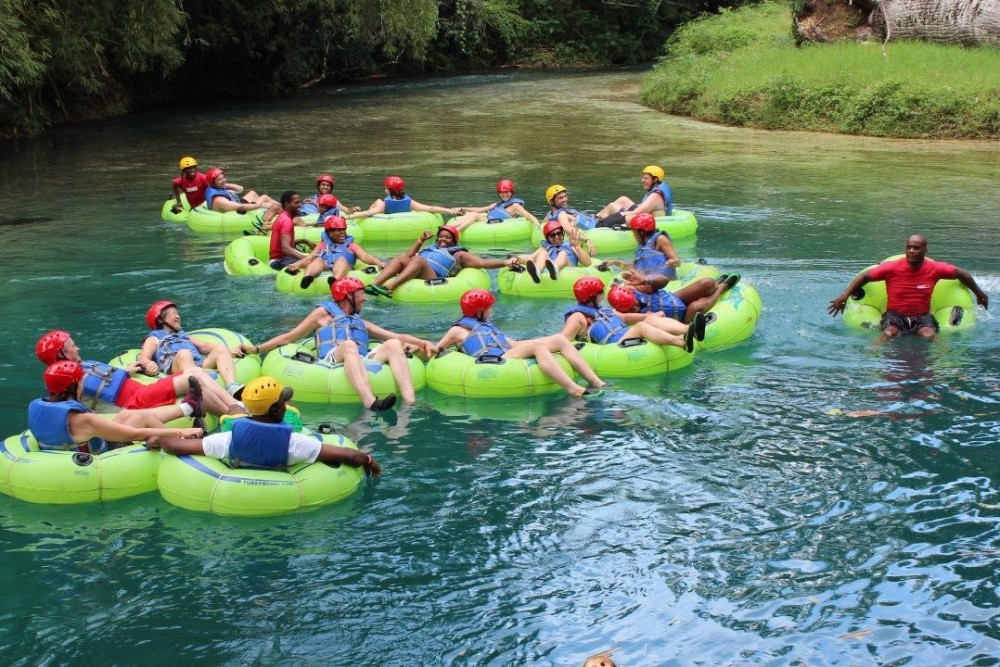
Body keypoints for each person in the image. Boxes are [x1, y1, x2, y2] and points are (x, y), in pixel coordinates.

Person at [241, 278, 435, 410]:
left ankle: (410, 403)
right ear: (348, 296)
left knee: (393, 344)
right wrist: (256, 349)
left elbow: (395, 336)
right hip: (331, 359)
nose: (364, 298)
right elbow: (289, 337)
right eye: (360, 295)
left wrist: (422, 342)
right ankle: (370, 401)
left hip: (361, 358)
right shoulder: (322, 315)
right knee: (349, 345)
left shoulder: (360, 321)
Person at [147, 376, 381, 475]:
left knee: (234, 413)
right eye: (282, 402)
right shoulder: (296, 443)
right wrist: (370, 462)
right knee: (236, 412)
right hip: (283, 465)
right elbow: (350, 456)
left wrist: (158, 440)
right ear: (277, 409)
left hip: (238, 444)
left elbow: (177, 446)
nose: (285, 403)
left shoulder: (226, 441)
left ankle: (236, 406)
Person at [433, 289, 606, 398]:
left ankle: (597, 382)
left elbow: (513, 344)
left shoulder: (486, 326)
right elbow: (437, 350)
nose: (491, 311)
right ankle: (573, 389)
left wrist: (541, 340)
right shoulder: (457, 331)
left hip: (506, 354)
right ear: (479, 310)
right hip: (494, 362)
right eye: (489, 308)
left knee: (559, 339)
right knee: (538, 347)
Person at [35, 330, 243, 417]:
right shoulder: (64, 380)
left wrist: (125, 370)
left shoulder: (80, 366)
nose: (78, 348)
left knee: (197, 380)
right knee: (193, 376)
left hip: (142, 391)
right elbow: (71, 404)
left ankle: (234, 414)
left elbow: (103, 380)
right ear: (61, 353)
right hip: (136, 402)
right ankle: (235, 409)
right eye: (73, 346)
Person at [828, 234, 989, 339]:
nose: (911, 251)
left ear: (925, 250)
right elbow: (864, 276)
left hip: (922, 316)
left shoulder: (935, 269)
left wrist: (980, 294)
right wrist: (843, 297)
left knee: (929, 335)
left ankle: (943, 361)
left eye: (916, 248)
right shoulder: (892, 267)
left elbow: (961, 274)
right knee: (889, 333)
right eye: (909, 247)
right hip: (895, 315)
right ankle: (870, 358)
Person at [27, 361, 203, 454]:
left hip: (68, 448)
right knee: (143, 425)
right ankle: (184, 442)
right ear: (73, 386)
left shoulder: (35, 406)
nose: (83, 384)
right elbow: (136, 434)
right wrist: (180, 430)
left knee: (132, 415)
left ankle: (188, 408)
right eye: (81, 381)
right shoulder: (81, 419)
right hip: (98, 457)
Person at [363, 225, 510, 298]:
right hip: (416, 268)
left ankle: (390, 287)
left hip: (434, 276)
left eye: (447, 237)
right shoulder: (431, 247)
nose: (443, 239)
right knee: (402, 256)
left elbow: (483, 263)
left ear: (454, 241)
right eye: (441, 237)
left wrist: (505, 262)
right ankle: (374, 285)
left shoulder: (459, 254)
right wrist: (420, 240)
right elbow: (407, 257)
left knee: (419, 260)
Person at [561, 276, 699, 353]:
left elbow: (625, 318)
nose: (602, 296)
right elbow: (564, 339)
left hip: (625, 338)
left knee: (649, 319)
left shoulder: (603, 310)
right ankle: (681, 343)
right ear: (591, 297)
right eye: (599, 293)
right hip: (614, 349)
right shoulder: (577, 317)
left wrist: (653, 316)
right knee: (640, 327)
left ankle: (689, 330)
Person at [139, 301, 244, 395]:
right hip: (176, 367)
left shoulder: (184, 335)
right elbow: (144, 358)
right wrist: (150, 364)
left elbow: (204, 346)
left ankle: (231, 386)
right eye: (173, 314)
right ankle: (199, 389)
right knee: (184, 353)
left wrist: (228, 350)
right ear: (161, 320)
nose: (178, 316)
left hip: (198, 365)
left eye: (177, 313)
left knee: (221, 348)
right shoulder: (154, 338)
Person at [286, 215, 385, 289]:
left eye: (343, 230)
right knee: (318, 260)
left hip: (344, 267)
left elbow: (365, 256)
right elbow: (310, 258)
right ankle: (308, 277)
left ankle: (335, 281)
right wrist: (297, 264)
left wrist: (378, 262)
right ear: (330, 232)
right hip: (325, 266)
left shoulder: (351, 245)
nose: (342, 233)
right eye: (338, 230)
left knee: (341, 259)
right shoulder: (322, 244)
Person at [607, 274, 739, 325]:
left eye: (635, 303)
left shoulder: (634, 288)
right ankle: (721, 288)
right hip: (681, 319)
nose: (636, 308)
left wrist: (645, 280)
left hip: (675, 298)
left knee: (707, 281)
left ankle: (713, 285)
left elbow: (664, 280)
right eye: (633, 308)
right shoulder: (622, 314)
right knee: (695, 307)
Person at [601, 213, 682, 290]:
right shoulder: (642, 246)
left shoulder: (660, 239)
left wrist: (671, 262)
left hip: (664, 282)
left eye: (634, 232)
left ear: (642, 232)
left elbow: (677, 262)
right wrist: (616, 263)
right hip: (647, 281)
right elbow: (635, 267)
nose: (633, 235)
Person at [507, 220, 592, 284]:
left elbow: (588, 263)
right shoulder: (545, 248)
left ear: (562, 234)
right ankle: (537, 272)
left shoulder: (571, 246)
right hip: (549, 270)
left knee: (562, 253)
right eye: (552, 235)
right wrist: (516, 259)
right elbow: (530, 257)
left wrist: (576, 246)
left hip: (569, 269)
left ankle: (555, 268)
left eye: (559, 233)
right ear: (547, 238)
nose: (556, 237)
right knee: (543, 253)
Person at [593, 165, 673, 228]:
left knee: (612, 206)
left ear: (655, 180)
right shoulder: (658, 189)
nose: (642, 180)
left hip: (647, 221)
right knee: (623, 199)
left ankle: (597, 222)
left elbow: (636, 213)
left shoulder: (655, 196)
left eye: (646, 178)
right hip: (646, 213)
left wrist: (610, 218)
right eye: (643, 177)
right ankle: (596, 218)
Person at [348, 176, 461, 220]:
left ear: (388, 189)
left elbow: (368, 213)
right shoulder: (410, 203)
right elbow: (431, 208)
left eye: (385, 188)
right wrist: (451, 211)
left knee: (377, 200)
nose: (384, 189)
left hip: (383, 218)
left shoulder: (383, 204)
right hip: (406, 219)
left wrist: (348, 218)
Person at [450, 179, 540, 232]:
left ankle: (456, 231)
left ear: (512, 192)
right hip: (489, 221)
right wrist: (462, 208)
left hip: (496, 225)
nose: (504, 195)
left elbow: (527, 215)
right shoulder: (499, 203)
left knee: (474, 214)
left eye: (507, 192)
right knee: (472, 213)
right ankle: (449, 227)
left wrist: (536, 223)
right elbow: (481, 209)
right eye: (502, 192)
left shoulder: (515, 206)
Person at [203, 167, 280, 223]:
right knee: (266, 199)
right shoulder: (218, 199)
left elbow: (240, 189)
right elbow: (240, 207)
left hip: (237, 203)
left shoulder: (217, 187)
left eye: (223, 178)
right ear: (213, 183)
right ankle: (281, 210)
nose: (223, 180)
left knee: (252, 193)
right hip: (237, 212)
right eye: (220, 179)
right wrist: (262, 205)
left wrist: (224, 184)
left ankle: (280, 209)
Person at [268, 190, 314, 270]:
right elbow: (285, 248)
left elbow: (282, 242)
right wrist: (305, 258)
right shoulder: (287, 221)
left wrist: (303, 241)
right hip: (280, 261)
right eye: (296, 203)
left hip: (278, 260)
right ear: (286, 204)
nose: (299, 205)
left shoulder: (283, 217)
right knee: (314, 265)